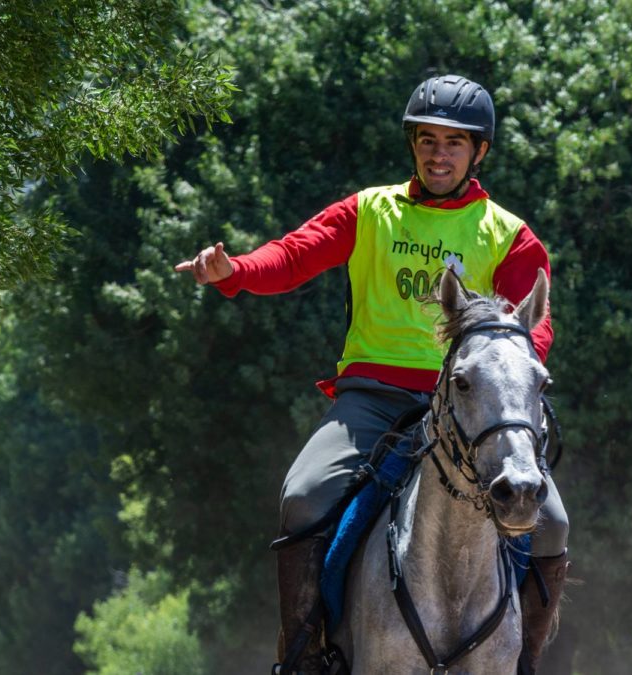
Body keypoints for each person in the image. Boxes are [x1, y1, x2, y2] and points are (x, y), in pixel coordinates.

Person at [175, 74, 569, 674]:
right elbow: (292, 255)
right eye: (428, 140)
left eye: (454, 143)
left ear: (479, 152)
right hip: (373, 403)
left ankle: (526, 660)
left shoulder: (509, 235)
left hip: (470, 407)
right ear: (414, 145)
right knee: (304, 496)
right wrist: (235, 271)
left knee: (553, 522)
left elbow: (534, 329)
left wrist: (511, 363)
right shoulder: (370, 211)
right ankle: (305, 654)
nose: (439, 154)